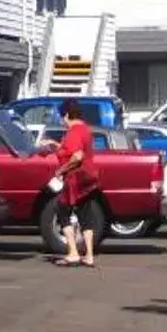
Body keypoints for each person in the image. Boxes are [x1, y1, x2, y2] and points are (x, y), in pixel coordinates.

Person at [51, 112, 100, 268]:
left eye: (62, 117)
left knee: (62, 210)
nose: (62, 121)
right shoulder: (85, 129)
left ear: (67, 115)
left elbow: (77, 156)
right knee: (86, 214)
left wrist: (60, 171)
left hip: (75, 179)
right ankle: (89, 256)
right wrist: (57, 146)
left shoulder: (73, 132)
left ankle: (73, 253)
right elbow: (74, 150)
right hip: (88, 177)